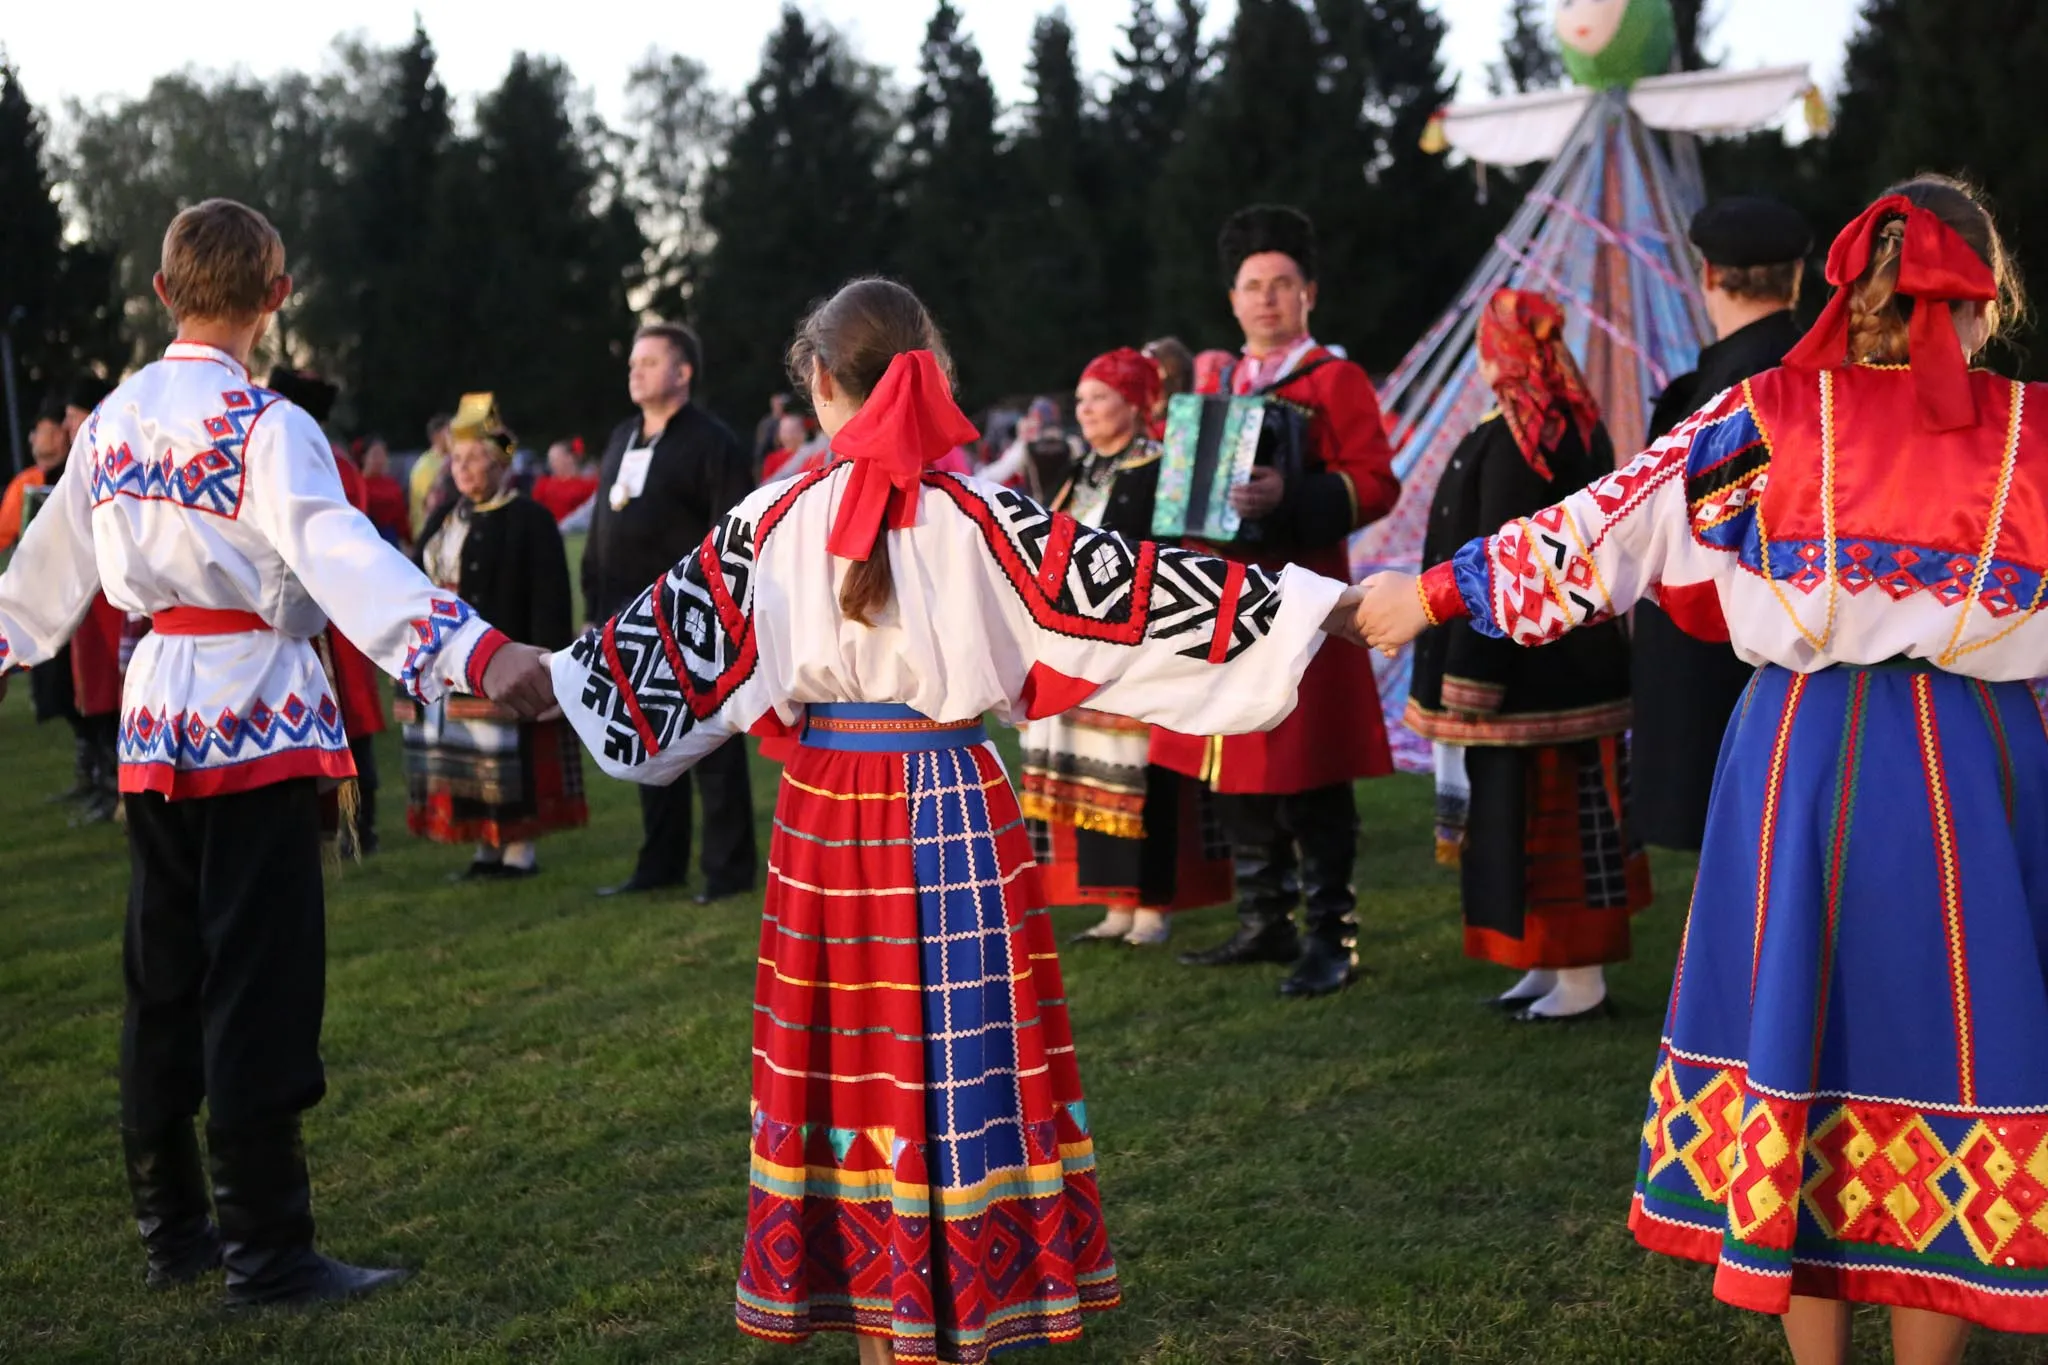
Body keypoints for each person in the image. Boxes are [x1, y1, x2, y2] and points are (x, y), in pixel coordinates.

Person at [548, 276, 1370, 1365]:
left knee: (848, 1059)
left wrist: (519, 672)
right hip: (947, 803)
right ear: (925, 371)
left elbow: (648, 664)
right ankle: (957, 1305)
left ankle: (877, 1317)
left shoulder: (770, 520)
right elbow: (1132, 597)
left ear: (821, 383)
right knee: (952, 1057)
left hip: (822, 814)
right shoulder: (984, 517)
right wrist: (1323, 607)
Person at [1358, 177, 2046, 1361]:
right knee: (1955, 1049)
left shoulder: (1761, 418)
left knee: (1801, 1040)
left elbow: (1594, 536)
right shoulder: (2031, 430)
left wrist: (1421, 595)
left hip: (1802, 756)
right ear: (1988, 297)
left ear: (1848, 283)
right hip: (1977, 767)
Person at [0, 199, 555, 1307]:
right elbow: (345, 558)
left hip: (157, 722)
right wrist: (477, 651)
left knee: (162, 978)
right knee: (257, 983)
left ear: (163, 292)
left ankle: (173, 1229)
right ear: (276, 296)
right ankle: (267, 1248)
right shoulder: (263, 425)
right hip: (256, 714)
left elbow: (42, 572)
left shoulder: (107, 423)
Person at [1164, 204, 1402, 999]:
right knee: (1233, 764)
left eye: (1283, 285)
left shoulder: (1336, 379)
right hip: (1227, 600)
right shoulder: (1214, 381)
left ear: (1309, 294)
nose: (1267, 299)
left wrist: (1291, 495)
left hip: (1305, 600)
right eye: (1253, 286)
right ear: (1233, 299)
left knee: (1311, 771)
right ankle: (1263, 919)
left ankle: (1331, 934)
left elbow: (1375, 481)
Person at [1405, 289, 1650, 1021]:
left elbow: (1500, 561)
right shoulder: (1550, 419)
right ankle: (1545, 962)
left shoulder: (1525, 432)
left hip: (1530, 668)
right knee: (1516, 814)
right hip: (1553, 661)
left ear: (1495, 351)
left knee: (1556, 818)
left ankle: (1581, 978)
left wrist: (1471, 674)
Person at [1021, 347, 1234, 948]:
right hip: (1083, 652)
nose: (1085, 410)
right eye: (1082, 399)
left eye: (1099, 398)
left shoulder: (1161, 469)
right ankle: (1115, 902)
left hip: (1141, 649)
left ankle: (1153, 906)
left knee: (1146, 777)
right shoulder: (1083, 471)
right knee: (1096, 778)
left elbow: (1178, 556)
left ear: (1134, 405)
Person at [1633, 195, 1813, 853]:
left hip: (1722, 669)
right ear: (1798, 275)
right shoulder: (1828, 376)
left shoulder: (1717, 394)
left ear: (1707, 275)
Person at [583, 321, 758, 901]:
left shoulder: (714, 443)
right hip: (626, 621)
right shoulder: (621, 438)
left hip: (692, 618)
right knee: (646, 743)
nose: (635, 370)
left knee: (712, 747)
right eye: (633, 361)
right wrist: (594, 607)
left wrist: (719, 615)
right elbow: (603, 529)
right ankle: (660, 862)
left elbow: (734, 536)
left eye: (650, 362)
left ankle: (728, 871)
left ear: (682, 373)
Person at [404, 395, 585, 878]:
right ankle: (484, 843)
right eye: (456, 460)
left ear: (498, 460)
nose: (462, 469)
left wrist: (548, 666)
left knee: (511, 751)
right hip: (451, 657)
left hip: (508, 651)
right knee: (469, 753)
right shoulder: (446, 515)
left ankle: (518, 849)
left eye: (473, 458)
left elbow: (550, 598)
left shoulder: (529, 519)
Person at [4, 393, 98, 801]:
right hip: (45, 600)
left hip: (86, 604)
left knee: (87, 693)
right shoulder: (28, 482)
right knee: (62, 691)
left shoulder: (84, 470)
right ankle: (95, 773)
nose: (32, 438)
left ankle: (104, 778)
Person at [357, 436, 412, 548]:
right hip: (363, 539)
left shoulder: (392, 485)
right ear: (364, 457)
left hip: (390, 540)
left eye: (383, 455)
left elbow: (401, 518)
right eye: (375, 454)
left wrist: (408, 540)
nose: (380, 459)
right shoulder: (357, 484)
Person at [530, 438, 598, 522]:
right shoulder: (543, 484)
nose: (552, 463)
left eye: (556, 458)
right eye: (550, 459)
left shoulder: (589, 484)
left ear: (569, 458)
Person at [410, 412, 454, 535]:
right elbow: (430, 504)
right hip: (429, 533)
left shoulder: (453, 459)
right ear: (436, 437)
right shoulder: (425, 466)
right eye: (450, 432)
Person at [760, 412, 828, 482]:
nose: (788, 436)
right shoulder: (772, 459)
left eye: (792, 431)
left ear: (803, 434)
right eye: (784, 431)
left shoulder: (813, 454)